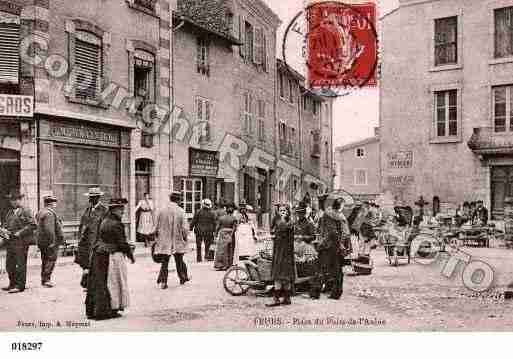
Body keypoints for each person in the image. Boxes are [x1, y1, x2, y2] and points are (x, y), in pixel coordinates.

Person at [86, 198, 135, 320]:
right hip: (111, 255)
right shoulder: (116, 224)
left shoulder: (105, 220)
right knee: (113, 283)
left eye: (123, 209)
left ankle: (98, 310)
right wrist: (130, 254)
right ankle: (110, 309)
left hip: (100, 254)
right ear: (114, 210)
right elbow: (121, 243)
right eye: (121, 209)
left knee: (100, 283)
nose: (123, 212)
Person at [154, 191, 190, 288]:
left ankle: (163, 282)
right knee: (179, 260)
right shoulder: (181, 211)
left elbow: (156, 226)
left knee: (165, 262)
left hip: (164, 241)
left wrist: (157, 238)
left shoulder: (162, 210)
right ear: (178, 200)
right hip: (177, 240)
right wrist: (185, 238)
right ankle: (182, 277)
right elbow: (185, 228)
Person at [2, 192, 36, 293]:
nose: (12, 202)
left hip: (21, 242)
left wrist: (20, 233)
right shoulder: (10, 212)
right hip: (10, 242)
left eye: (15, 200)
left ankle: (20, 286)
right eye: (11, 200)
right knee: (9, 265)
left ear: (19, 200)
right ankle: (12, 283)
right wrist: (4, 230)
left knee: (20, 264)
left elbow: (33, 225)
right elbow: (6, 224)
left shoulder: (26, 211)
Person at [316, 198, 350, 300]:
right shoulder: (339, 216)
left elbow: (326, 230)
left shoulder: (328, 214)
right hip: (334, 246)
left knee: (325, 268)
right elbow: (340, 232)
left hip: (329, 246)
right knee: (335, 270)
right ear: (340, 206)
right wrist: (342, 245)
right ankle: (335, 292)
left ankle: (319, 292)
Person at [76, 187, 108, 289]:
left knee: (95, 263)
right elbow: (82, 224)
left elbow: (105, 228)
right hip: (86, 242)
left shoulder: (104, 210)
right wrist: (80, 238)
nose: (90, 199)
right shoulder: (88, 209)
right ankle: (87, 283)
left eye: (93, 197)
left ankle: (94, 284)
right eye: (90, 197)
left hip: (97, 242)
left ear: (98, 198)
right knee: (86, 263)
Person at [266, 205, 295, 307]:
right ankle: (287, 298)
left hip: (285, 252)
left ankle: (277, 299)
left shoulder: (289, 222)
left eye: (284, 210)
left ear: (288, 212)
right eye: (280, 211)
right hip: (279, 250)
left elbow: (283, 228)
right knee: (283, 274)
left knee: (280, 275)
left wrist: (281, 219)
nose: (282, 212)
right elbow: (272, 230)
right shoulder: (278, 220)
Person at [292, 201, 318, 298]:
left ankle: (308, 285)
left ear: (304, 213)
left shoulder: (309, 224)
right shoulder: (295, 223)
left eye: (301, 213)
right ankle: (298, 283)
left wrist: (303, 237)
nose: (299, 215)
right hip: (296, 245)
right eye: (298, 213)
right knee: (295, 263)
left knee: (307, 264)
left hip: (306, 247)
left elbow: (313, 237)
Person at [36, 194, 64, 288]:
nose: (55, 204)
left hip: (42, 241)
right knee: (50, 260)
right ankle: (46, 279)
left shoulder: (41, 212)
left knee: (44, 260)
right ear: (51, 203)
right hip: (50, 242)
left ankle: (43, 279)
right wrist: (53, 242)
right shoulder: (49, 214)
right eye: (54, 202)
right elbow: (49, 230)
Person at [214, 203, 238, 270]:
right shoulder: (234, 218)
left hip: (222, 234)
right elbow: (235, 228)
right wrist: (231, 234)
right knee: (230, 250)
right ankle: (228, 264)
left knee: (221, 250)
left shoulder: (221, 218)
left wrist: (215, 236)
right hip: (230, 234)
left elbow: (217, 227)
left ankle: (220, 265)